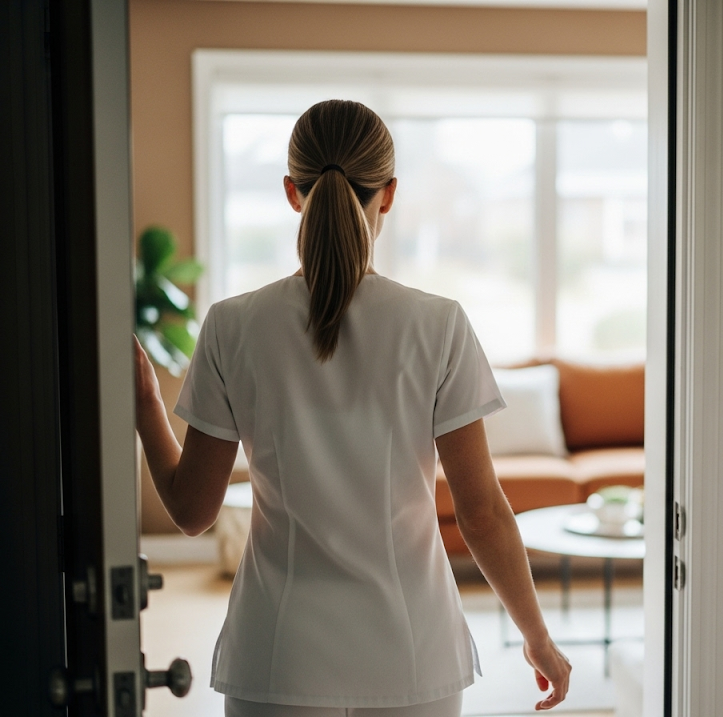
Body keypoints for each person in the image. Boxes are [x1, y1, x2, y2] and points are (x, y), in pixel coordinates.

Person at [134, 99, 571, 717]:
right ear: (388, 194)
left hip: (278, 657)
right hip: (413, 656)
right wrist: (538, 638)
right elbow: (481, 515)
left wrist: (146, 399)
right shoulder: (438, 325)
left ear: (292, 192)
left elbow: (192, 511)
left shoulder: (232, 326)